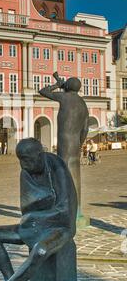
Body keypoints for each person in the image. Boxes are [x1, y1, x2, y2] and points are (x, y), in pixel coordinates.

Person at [0, 138, 77, 281]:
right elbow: (26, 206)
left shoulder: (57, 168)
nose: (23, 164)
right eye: (20, 159)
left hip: (60, 228)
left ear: (39, 155)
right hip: (34, 226)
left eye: (26, 159)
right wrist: (39, 210)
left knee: (40, 250)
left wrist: (37, 213)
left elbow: (65, 210)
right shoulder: (25, 172)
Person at [39, 73, 89, 213]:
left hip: (64, 142)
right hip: (75, 143)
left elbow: (43, 91)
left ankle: (65, 209)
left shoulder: (64, 97)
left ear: (67, 86)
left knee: (63, 172)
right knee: (75, 174)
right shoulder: (82, 103)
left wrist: (57, 85)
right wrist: (79, 143)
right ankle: (77, 209)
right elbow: (85, 129)